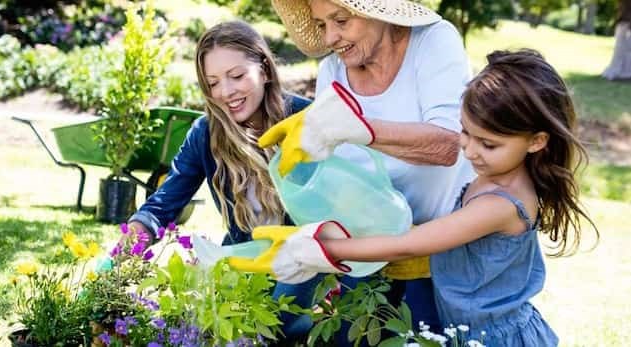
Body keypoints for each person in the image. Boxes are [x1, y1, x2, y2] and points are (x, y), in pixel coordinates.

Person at [243, 49, 600, 346]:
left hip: (496, 338)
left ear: (537, 141)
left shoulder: (501, 203)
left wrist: (321, 251)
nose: (470, 151)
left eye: (488, 143)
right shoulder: (493, 174)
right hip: (465, 329)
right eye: (465, 132)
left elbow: (409, 244)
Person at [259, 0, 476, 335]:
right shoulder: (333, 69)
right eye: (321, 25)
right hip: (369, 251)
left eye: (341, 20)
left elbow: (449, 145)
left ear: (381, 11)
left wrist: (362, 129)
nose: (331, 37)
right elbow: (339, 171)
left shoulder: (433, 41)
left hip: (441, 254)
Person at [124, 21, 316, 340]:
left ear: (265, 69)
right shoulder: (205, 134)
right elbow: (165, 202)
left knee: (273, 324)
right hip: (243, 261)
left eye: (237, 76)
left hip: (303, 262)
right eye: (213, 83)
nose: (225, 92)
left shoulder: (304, 119)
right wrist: (134, 235)